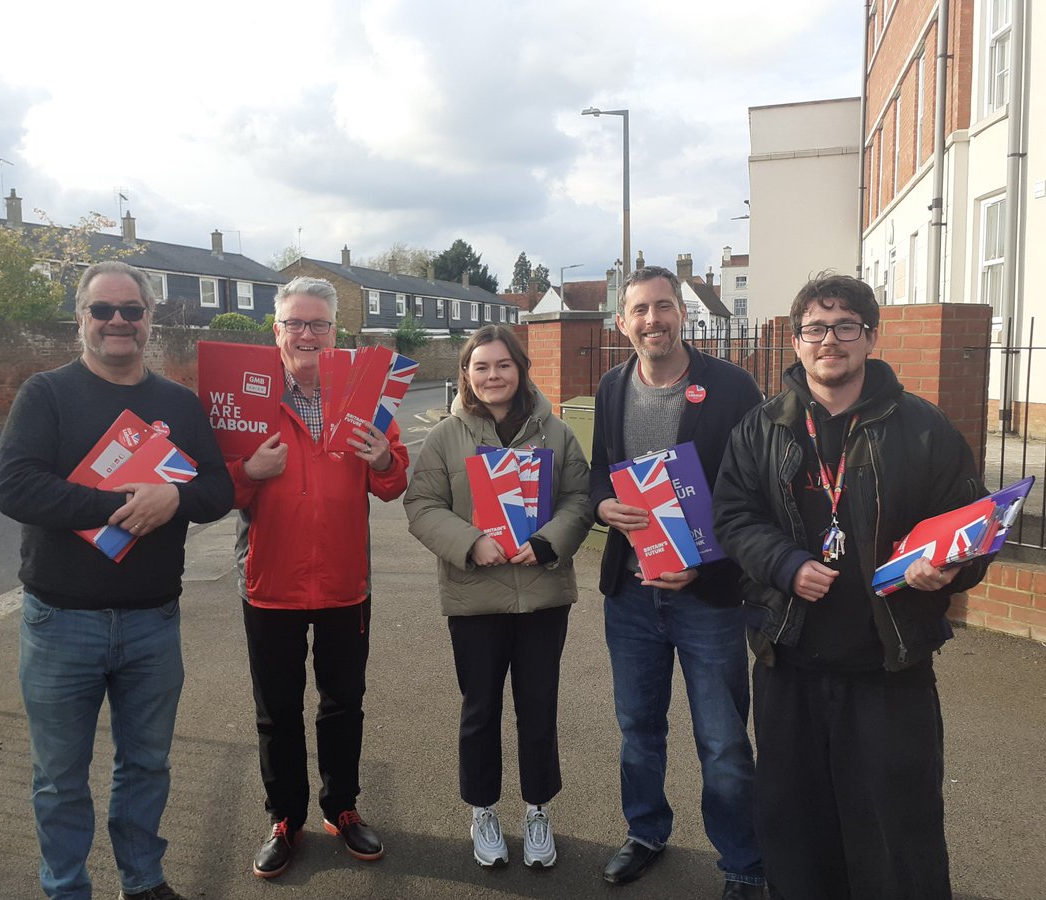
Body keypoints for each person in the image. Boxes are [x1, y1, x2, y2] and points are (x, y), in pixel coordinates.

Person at [713, 274, 988, 900]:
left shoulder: (923, 427)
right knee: (796, 828)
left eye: (845, 327)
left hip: (889, 665)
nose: (829, 340)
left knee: (898, 830)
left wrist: (947, 569)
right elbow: (732, 516)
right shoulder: (761, 428)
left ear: (870, 337)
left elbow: (969, 526)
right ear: (796, 340)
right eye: (815, 328)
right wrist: (784, 563)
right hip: (790, 660)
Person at [0, 260, 234, 900]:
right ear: (82, 319)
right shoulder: (45, 394)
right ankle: (66, 887)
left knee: (147, 765)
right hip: (59, 619)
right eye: (103, 311)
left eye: (132, 310)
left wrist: (176, 501)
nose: (118, 322)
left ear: (150, 320)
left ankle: (143, 880)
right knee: (59, 776)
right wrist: (128, 505)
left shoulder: (178, 404)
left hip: (152, 620)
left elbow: (217, 488)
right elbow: (15, 488)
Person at [589, 266, 766, 898]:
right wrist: (602, 506)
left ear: (681, 314)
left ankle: (743, 863)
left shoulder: (732, 387)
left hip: (707, 597)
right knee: (638, 728)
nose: (652, 320)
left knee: (721, 741)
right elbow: (597, 477)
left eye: (663, 307)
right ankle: (645, 832)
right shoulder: (612, 386)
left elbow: (758, 490)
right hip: (632, 594)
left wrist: (710, 563)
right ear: (622, 322)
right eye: (639, 310)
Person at [230, 276, 409, 879]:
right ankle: (285, 817)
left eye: (319, 325)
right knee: (276, 710)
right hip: (270, 581)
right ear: (275, 330)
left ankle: (343, 807)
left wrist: (382, 459)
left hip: (343, 582)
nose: (306, 334)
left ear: (336, 332)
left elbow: (392, 484)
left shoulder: (364, 395)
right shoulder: (247, 398)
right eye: (295, 324)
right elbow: (214, 488)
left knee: (343, 704)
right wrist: (248, 469)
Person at [404, 324, 593, 869]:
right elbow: (422, 506)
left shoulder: (554, 431)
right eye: (480, 366)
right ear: (466, 374)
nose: (492, 375)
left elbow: (579, 498)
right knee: (480, 709)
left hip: (542, 597)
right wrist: (471, 543)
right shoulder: (446, 436)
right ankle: (483, 809)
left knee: (539, 708)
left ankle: (537, 810)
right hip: (474, 598)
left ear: (520, 369)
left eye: (502, 365)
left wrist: (546, 541)